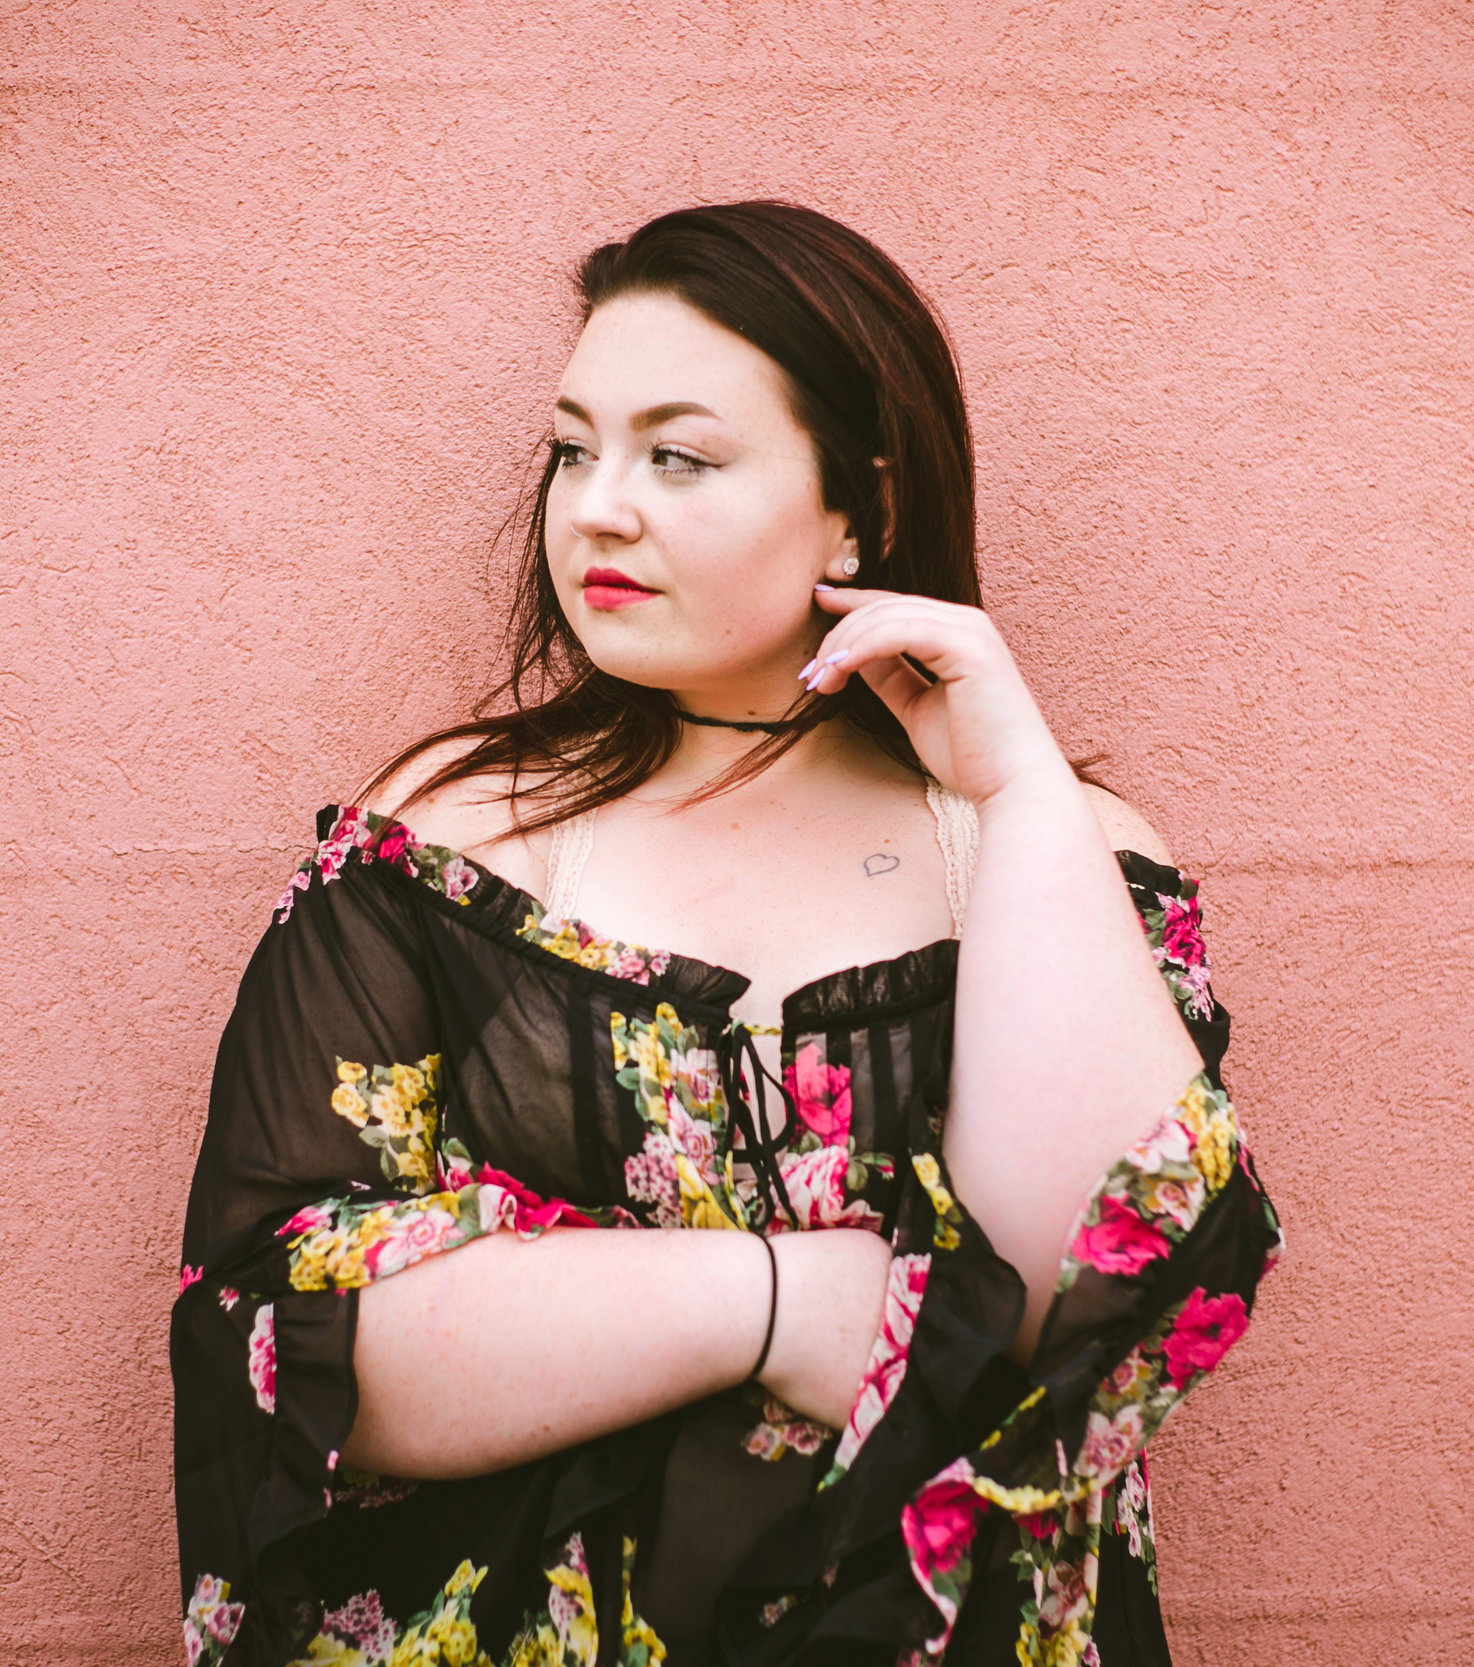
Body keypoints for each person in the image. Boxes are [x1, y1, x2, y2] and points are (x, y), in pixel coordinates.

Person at [171, 201, 1280, 1667]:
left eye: (677, 456)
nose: (596, 508)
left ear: (859, 507)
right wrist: (770, 1303)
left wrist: (1017, 791)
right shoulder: (448, 842)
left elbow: (1106, 1290)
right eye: (575, 448)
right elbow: (290, 1343)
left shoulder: (1052, 855)